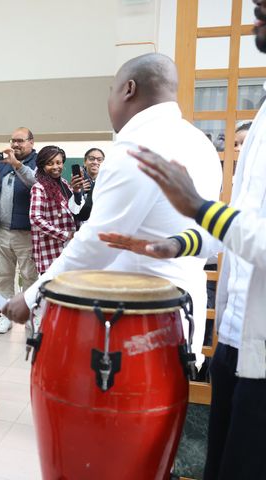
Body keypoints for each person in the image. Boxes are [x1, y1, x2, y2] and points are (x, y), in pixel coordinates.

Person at [98, 3, 266, 476]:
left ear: (127, 90)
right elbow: (233, 233)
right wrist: (180, 243)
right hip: (233, 335)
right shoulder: (254, 117)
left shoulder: (139, 146)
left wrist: (197, 208)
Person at [2, 53, 222, 371]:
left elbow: (98, 242)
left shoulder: (136, 147)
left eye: (111, 90)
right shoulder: (199, 142)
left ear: (128, 89)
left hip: (135, 321)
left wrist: (34, 295)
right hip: (181, 314)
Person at [0, 127, 39, 333]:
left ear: (31, 143)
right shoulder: (2, 163)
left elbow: (36, 184)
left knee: (29, 276)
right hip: (1, 230)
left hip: (25, 233)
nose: (16, 144)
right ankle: (6, 315)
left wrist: (17, 165)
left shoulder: (40, 162)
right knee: (3, 276)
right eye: (13, 141)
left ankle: (29, 315)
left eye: (20, 141)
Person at [29, 146, 84, 274]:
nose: (55, 167)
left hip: (69, 247)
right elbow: (35, 218)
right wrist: (65, 235)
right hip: (51, 248)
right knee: (52, 289)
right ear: (42, 166)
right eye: (50, 163)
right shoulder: (39, 187)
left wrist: (76, 191)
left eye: (58, 163)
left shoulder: (65, 183)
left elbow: (73, 210)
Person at [74, 147, 105, 223]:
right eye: (91, 158)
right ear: (85, 161)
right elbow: (74, 209)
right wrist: (79, 191)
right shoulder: (77, 181)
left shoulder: (107, 182)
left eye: (99, 159)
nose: (95, 162)